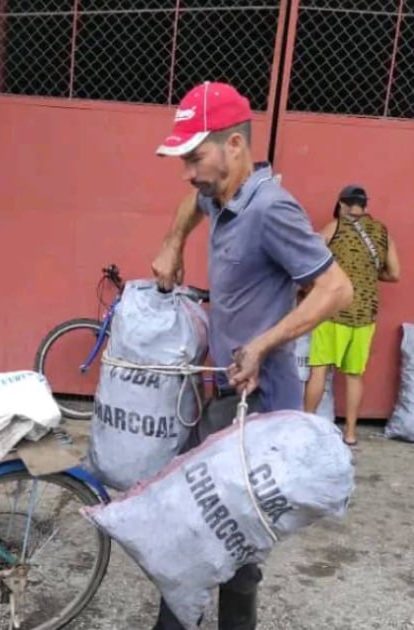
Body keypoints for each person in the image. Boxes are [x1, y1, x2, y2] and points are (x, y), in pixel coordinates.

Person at [150, 81, 353, 630]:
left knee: (217, 536)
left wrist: (263, 343)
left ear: (234, 146)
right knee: (215, 532)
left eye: (195, 156)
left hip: (260, 406)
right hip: (224, 398)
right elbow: (191, 201)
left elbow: (338, 290)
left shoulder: (271, 210)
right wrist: (172, 242)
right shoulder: (219, 196)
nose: (188, 171)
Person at [303, 185, 400, 445]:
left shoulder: (335, 227)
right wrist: (365, 275)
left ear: (343, 205)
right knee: (355, 375)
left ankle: (304, 426)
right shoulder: (382, 233)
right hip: (365, 314)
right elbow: (394, 273)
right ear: (364, 206)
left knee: (319, 371)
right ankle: (351, 433)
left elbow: (308, 257)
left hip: (333, 309)